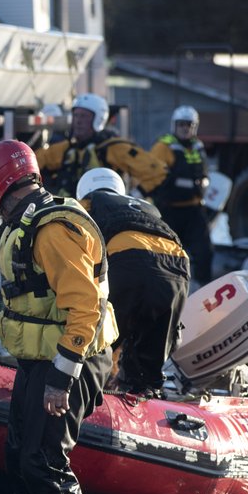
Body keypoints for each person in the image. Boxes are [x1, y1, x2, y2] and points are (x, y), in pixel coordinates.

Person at [0, 139, 118, 494]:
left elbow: (85, 305)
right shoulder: (30, 219)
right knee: (18, 453)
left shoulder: (51, 228)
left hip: (70, 359)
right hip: (42, 358)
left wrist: (61, 378)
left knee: (42, 460)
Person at [76, 168, 189, 396]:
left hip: (127, 261)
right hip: (178, 268)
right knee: (150, 355)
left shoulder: (86, 205)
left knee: (103, 336)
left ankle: (98, 387)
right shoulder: (146, 207)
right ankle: (144, 391)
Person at [34, 92, 168, 199]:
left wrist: (132, 196)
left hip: (104, 213)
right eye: (76, 116)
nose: (78, 121)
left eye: (84, 117)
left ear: (98, 119)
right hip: (71, 213)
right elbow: (35, 162)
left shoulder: (114, 147)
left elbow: (157, 172)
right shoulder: (66, 148)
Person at [149, 105, 213, 286]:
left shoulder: (198, 147)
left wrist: (202, 184)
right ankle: (168, 289)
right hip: (169, 210)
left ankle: (204, 288)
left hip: (194, 208)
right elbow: (152, 174)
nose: (185, 128)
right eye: (181, 124)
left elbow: (204, 173)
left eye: (189, 124)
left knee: (205, 252)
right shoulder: (163, 147)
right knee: (168, 254)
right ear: (174, 126)